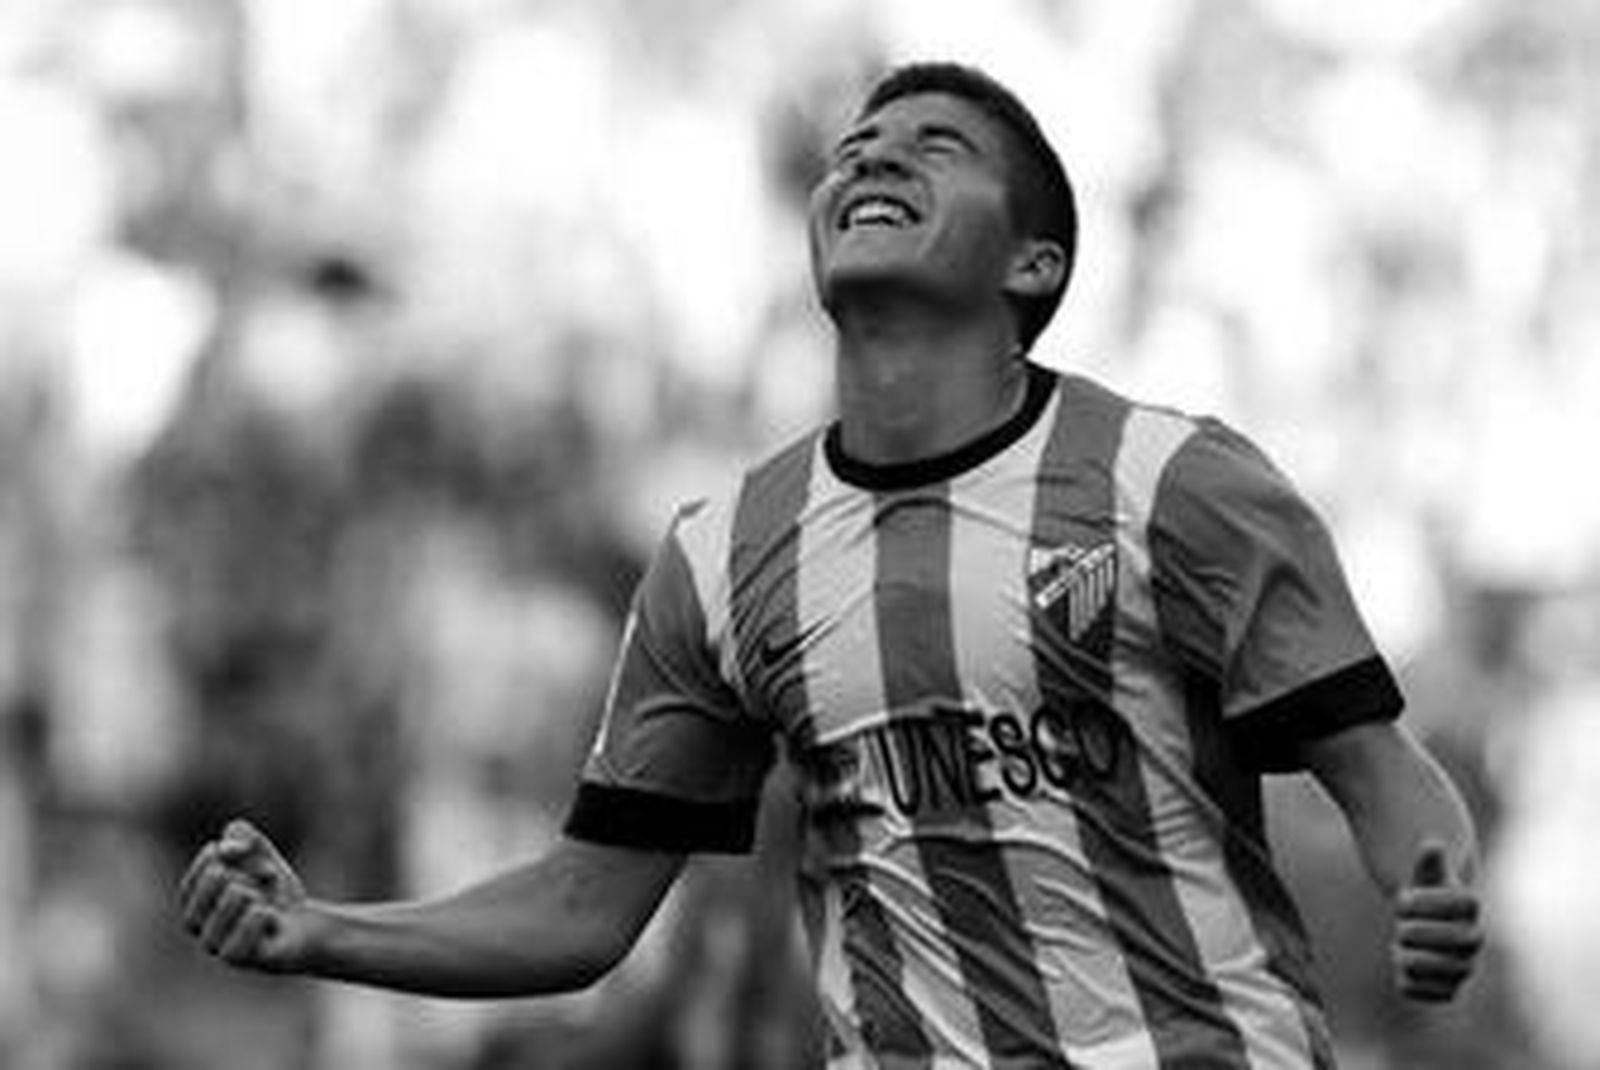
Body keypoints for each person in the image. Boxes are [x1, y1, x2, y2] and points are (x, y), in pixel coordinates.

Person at [179, 61, 1484, 1067]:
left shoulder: (1177, 484)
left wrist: (1434, 884)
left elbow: (1389, 780)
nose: (874, 154)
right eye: (856, 146)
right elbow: (586, 907)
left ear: (1037, 261)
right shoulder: (722, 554)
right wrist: (324, 929)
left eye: (937, 146)